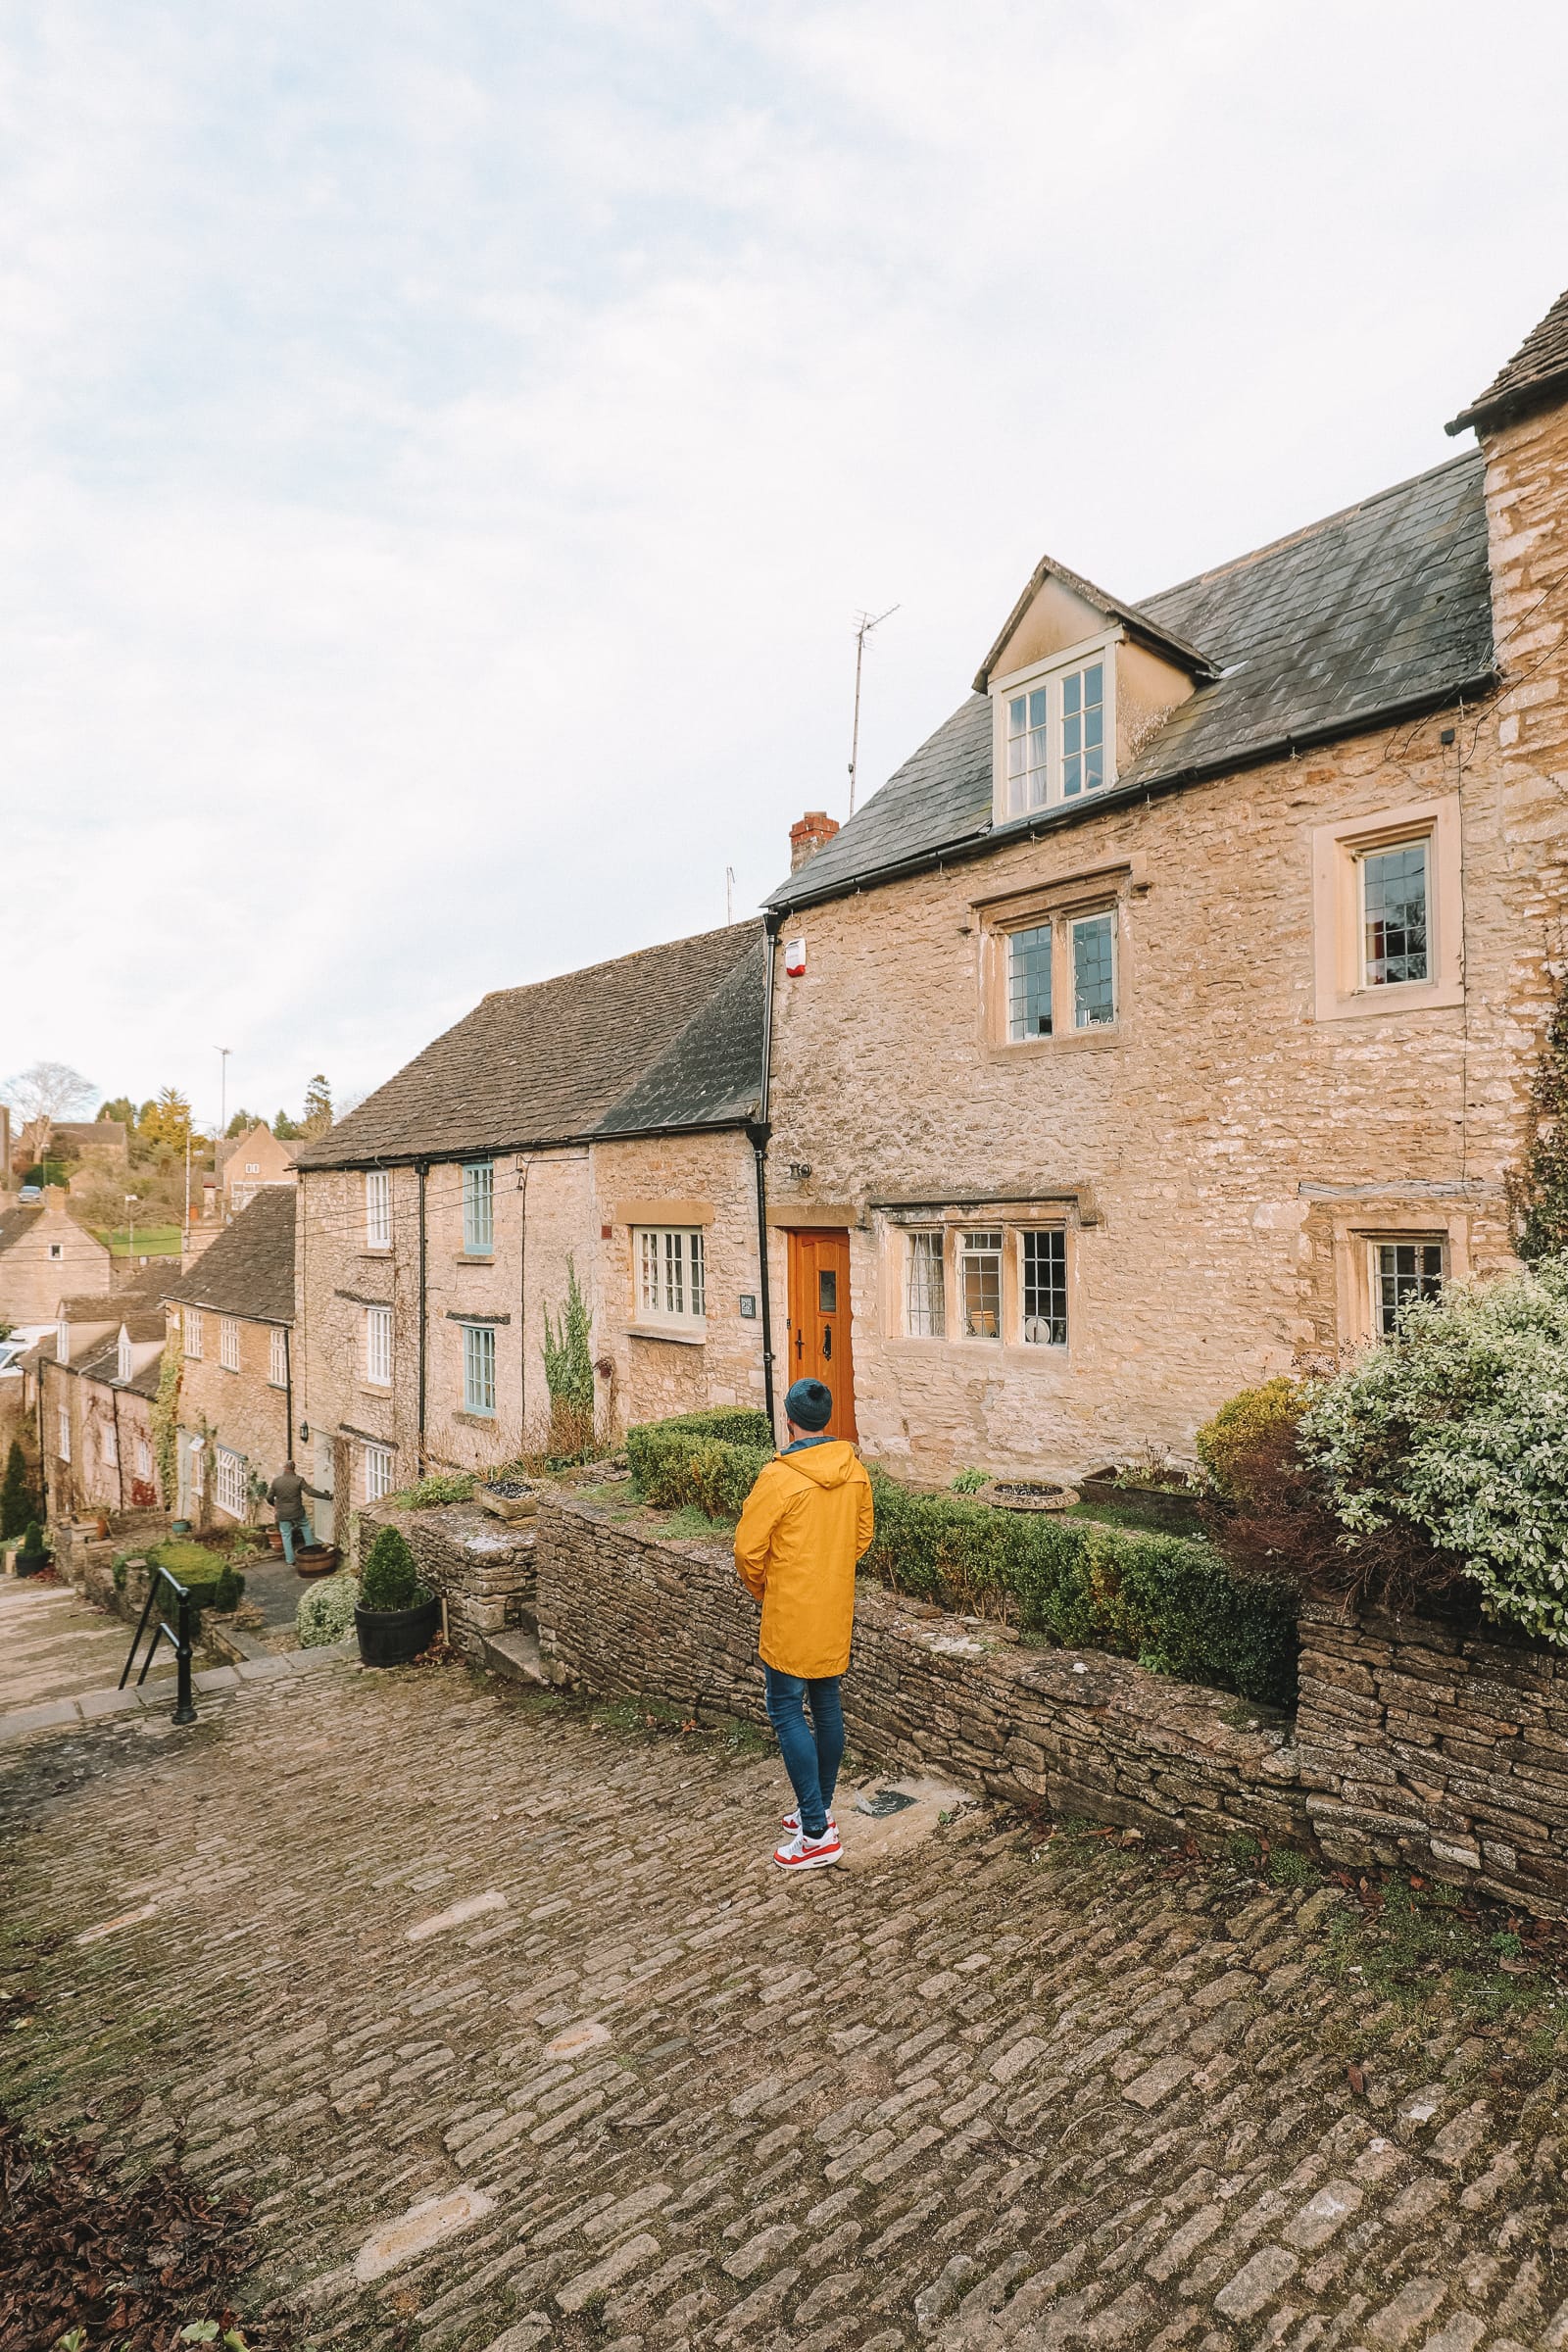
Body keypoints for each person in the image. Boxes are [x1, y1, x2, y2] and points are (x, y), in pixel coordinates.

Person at [734, 1377, 875, 1872]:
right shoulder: (854, 1472)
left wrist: (767, 1588)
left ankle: (815, 1832)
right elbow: (862, 1537)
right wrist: (830, 1571)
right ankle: (816, 1809)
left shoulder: (780, 1477)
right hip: (832, 1607)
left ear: (789, 1421)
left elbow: (748, 1551)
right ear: (824, 1420)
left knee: (786, 1709)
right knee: (827, 1704)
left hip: (792, 1608)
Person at [267, 1458, 314, 1566]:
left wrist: (274, 1504)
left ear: (284, 1468)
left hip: (283, 1513)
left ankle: (290, 1561)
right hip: (297, 1512)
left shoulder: (276, 1481)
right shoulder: (299, 1480)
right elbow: (310, 1492)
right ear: (294, 1468)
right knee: (305, 1527)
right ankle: (311, 1553)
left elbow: (268, 1497)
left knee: (286, 1535)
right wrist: (327, 1496)